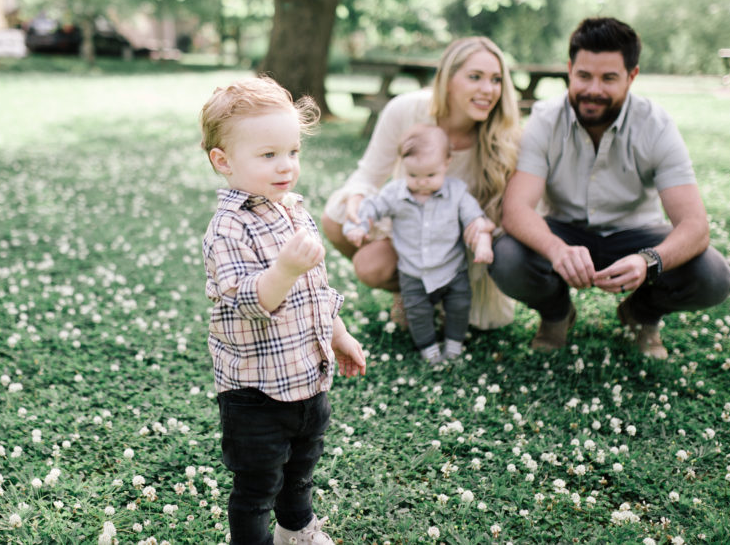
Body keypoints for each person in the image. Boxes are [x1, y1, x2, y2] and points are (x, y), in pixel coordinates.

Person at [487, 17, 730, 359]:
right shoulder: (545, 119)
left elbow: (695, 225)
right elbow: (515, 209)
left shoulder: (656, 125)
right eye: (584, 76)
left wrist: (649, 261)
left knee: (713, 275)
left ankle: (640, 314)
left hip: (637, 234)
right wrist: (557, 250)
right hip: (564, 230)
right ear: (570, 69)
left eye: (609, 78)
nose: (594, 90)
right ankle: (556, 314)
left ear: (632, 76)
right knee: (506, 257)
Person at [199, 76, 367, 545]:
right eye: (268, 155)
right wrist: (286, 268)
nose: (286, 165)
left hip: (307, 378)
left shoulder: (294, 209)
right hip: (255, 393)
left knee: (300, 471)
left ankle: (297, 531)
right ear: (223, 161)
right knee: (257, 486)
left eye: (292, 152)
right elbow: (249, 301)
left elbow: (317, 289)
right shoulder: (227, 229)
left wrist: (340, 334)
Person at [322, 36, 521, 331]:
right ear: (447, 80)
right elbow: (368, 174)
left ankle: (439, 294)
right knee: (338, 222)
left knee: (481, 323)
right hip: (411, 226)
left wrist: (484, 229)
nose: (487, 90)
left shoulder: (504, 137)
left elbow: (510, 212)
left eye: (495, 80)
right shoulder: (407, 111)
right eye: (475, 77)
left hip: (461, 245)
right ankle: (409, 290)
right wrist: (358, 197)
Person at [342, 124, 495, 365]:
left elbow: (476, 220)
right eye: (413, 176)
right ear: (403, 167)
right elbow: (372, 207)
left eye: (430, 176)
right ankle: (429, 349)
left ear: (447, 162)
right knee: (418, 313)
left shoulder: (457, 193)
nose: (422, 183)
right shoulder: (395, 193)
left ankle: (454, 345)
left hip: (452, 270)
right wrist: (358, 226)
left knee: (459, 306)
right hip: (413, 272)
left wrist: (483, 245)